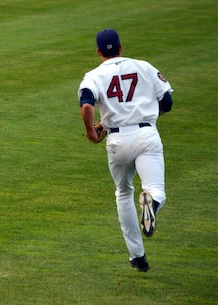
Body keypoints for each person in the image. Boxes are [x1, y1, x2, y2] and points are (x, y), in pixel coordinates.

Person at [77, 29, 173, 272]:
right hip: (146, 135)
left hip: (117, 141)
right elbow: (167, 103)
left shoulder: (93, 75)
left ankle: (137, 256)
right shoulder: (144, 66)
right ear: (121, 47)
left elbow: (87, 105)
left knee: (123, 193)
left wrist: (91, 131)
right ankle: (151, 204)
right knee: (155, 190)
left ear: (98, 52)